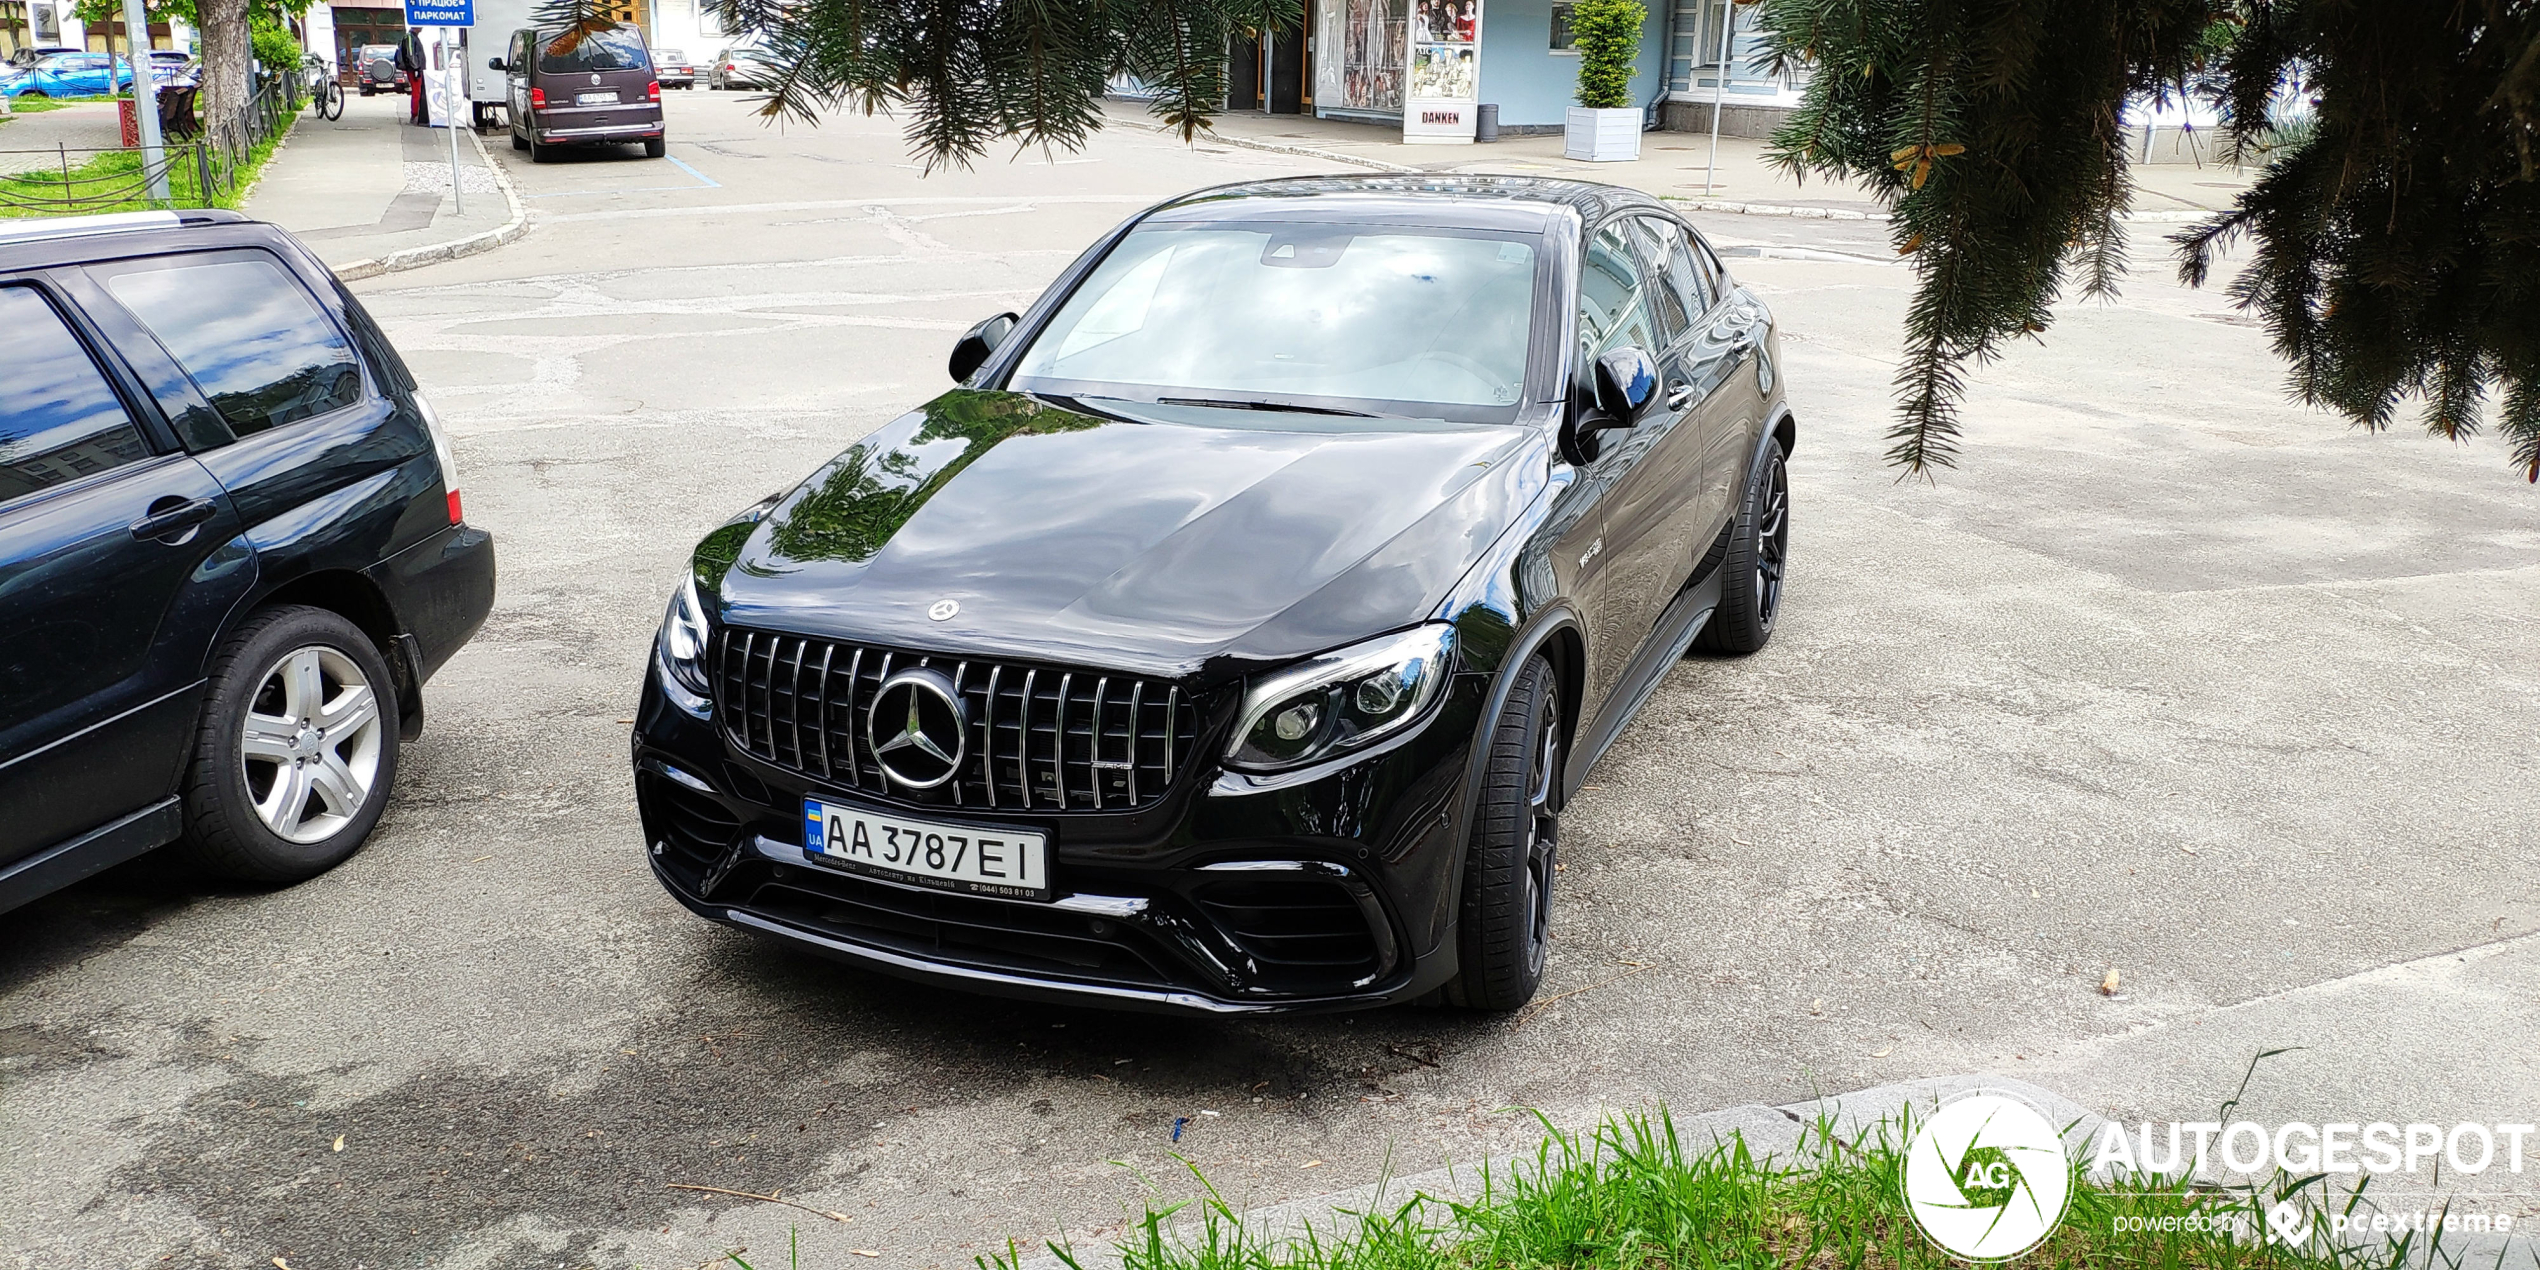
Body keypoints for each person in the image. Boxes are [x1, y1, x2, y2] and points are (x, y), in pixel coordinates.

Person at [396, 30, 424, 124]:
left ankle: (416, 114)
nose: (422, 28)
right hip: (413, 69)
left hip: (414, 69)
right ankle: (415, 114)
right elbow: (410, 54)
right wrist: (416, 68)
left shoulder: (412, 37)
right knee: (416, 92)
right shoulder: (410, 37)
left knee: (417, 92)